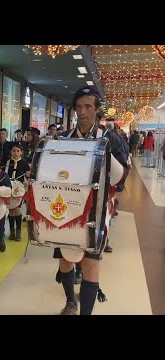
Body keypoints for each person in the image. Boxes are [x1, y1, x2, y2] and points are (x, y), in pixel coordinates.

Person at [55, 86, 128, 315]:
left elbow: (121, 176)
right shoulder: (63, 138)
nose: (83, 112)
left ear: (97, 110)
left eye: (88, 107)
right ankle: (70, 301)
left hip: (96, 210)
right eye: (79, 107)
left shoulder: (111, 140)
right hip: (65, 209)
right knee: (66, 261)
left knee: (90, 264)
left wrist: (105, 152)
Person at [4, 143, 30, 241]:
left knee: (17, 210)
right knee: (10, 210)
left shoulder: (24, 163)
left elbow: (28, 176)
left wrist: (28, 175)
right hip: (8, 188)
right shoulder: (7, 162)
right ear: (11, 152)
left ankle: (18, 232)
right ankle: (12, 232)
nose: (16, 153)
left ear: (21, 153)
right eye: (14, 151)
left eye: (18, 151)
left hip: (19, 190)